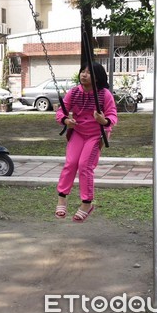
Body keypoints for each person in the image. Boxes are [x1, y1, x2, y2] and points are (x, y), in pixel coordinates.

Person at [55, 62, 118, 223]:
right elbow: (61, 111)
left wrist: (103, 120)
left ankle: (87, 203)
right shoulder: (75, 92)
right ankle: (62, 198)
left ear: (97, 77)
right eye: (82, 71)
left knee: (85, 165)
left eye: (88, 73)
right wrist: (66, 120)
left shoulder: (104, 95)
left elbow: (113, 116)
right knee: (71, 163)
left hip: (95, 135)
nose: (83, 75)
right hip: (78, 132)